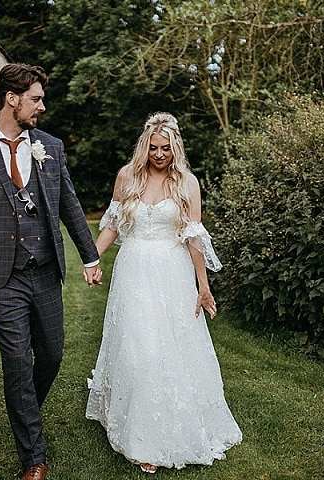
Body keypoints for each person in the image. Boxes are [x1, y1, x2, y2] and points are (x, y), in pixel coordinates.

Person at [0, 63, 102, 480]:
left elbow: (69, 204)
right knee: (16, 360)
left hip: (45, 272)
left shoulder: (50, 146)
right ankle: (34, 457)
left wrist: (90, 256)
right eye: (36, 99)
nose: (42, 107)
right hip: (2, 277)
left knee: (50, 355)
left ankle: (23, 407)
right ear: (12, 99)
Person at [86, 112, 242, 474]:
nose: (159, 155)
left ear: (176, 147)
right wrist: (93, 259)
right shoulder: (128, 176)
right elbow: (112, 224)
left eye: (166, 149)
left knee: (170, 349)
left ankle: (170, 428)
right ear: (145, 146)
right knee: (138, 347)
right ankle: (140, 433)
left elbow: (193, 238)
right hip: (134, 270)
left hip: (172, 273)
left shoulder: (187, 184)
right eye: (154, 148)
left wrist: (203, 286)